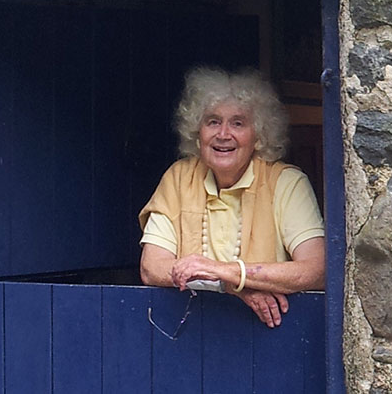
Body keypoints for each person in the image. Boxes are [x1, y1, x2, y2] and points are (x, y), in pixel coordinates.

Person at [139, 66, 325, 327]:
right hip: (190, 331)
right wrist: (228, 286)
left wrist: (229, 272)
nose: (223, 134)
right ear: (197, 132)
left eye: (238, 123)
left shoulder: (286, 182)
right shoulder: (179, 178)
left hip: (269, 332)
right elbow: (151, 267)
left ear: (258, 136)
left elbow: (316, 270)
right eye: (213, 121)